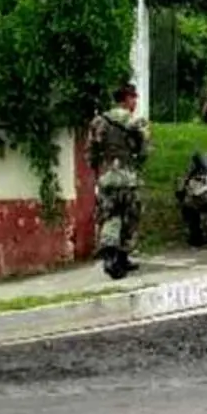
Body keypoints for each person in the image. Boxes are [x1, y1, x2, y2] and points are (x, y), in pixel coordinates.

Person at [89, 83, 151, 279]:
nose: (135, 102)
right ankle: (122, 255)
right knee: (130, 217)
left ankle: (111, 253)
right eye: (133, 98)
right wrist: (137, 162)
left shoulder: (99, 121)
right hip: (128, 177)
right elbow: (143, 149)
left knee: (109, 214)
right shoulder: (135, 121)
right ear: (126, 99)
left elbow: (91, 151)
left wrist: (97, 170)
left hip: (107, 177)